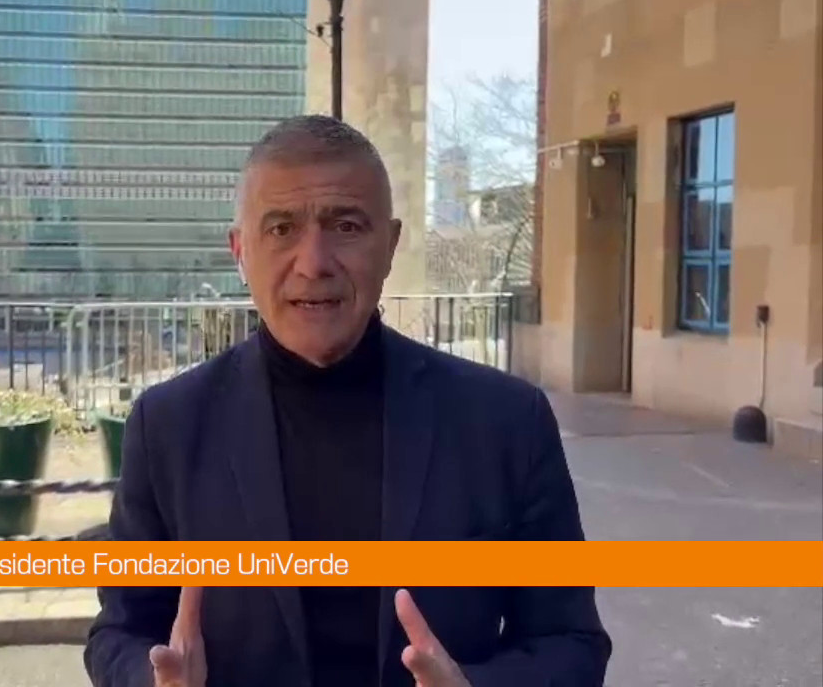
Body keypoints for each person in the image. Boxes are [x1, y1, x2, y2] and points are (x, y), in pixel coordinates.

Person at [83, 116, 611, 687]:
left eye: (346, 226)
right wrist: (150, 679)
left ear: (391, 245)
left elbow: (570, 642)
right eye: (281, 228)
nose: (314, 262)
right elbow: (120, 631)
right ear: (240, 251)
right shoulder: (167, 426)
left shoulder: (506, 421)